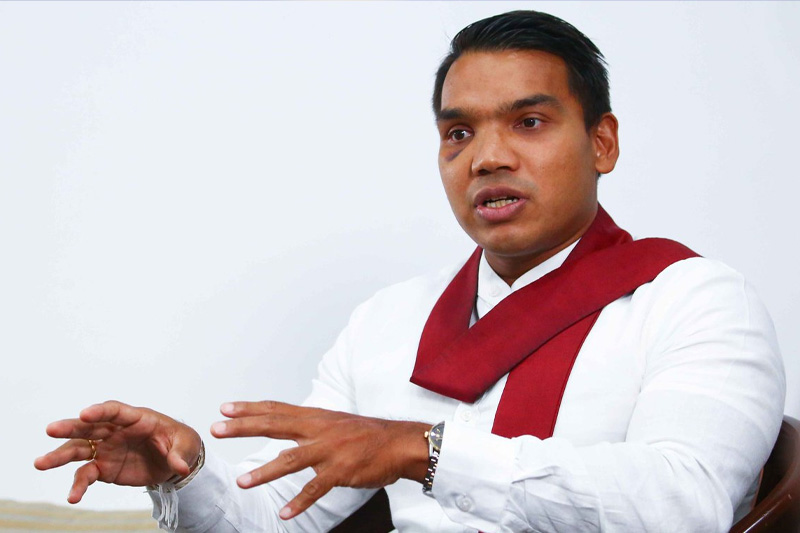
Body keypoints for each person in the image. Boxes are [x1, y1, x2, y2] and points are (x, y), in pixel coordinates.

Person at [35, 10, 785, 533]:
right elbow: (275, 520)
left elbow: (687, 506)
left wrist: (421, 450)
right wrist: (183, 473)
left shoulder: (696, 301)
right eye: (458, 132)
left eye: (528, 122)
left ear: (602, 143)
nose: (487, 157)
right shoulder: (388, 323)